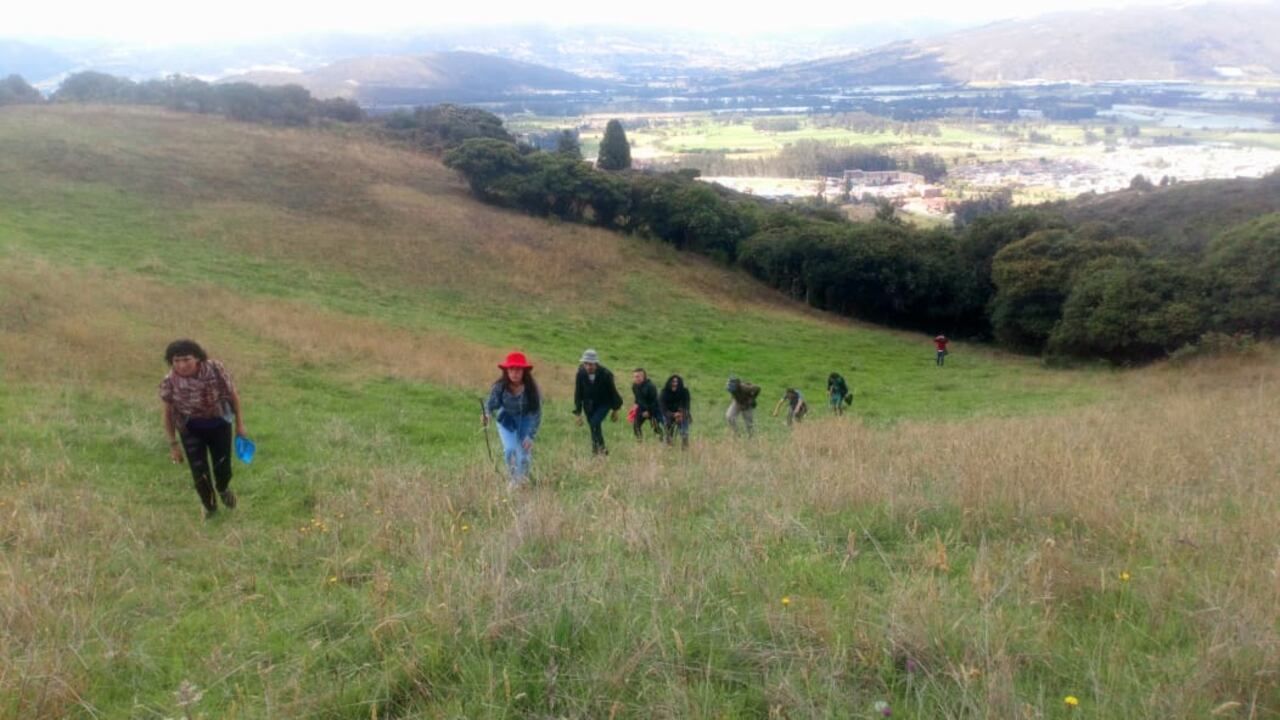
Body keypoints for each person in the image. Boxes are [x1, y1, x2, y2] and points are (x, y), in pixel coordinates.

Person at [158, 339, 248, 519]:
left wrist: (240, 425)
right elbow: (168, 414)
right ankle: (211, 509)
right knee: (200, 473)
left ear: (198, 358)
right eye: (176, 361)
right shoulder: (170, 382)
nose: (181, 365)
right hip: (190, 430)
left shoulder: (215, 369)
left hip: (219, 425)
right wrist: (173, 445)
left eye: (186, 360)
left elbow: (232, 395)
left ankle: (223, 489)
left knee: (223, 468)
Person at [483, 351, 542, 489]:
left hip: (526, 421)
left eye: (518, 370)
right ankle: (514, 480)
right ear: (506, 371)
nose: (514, 373)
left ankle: (524, 480)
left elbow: (537, 413)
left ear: (524, 372)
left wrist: (531, 436)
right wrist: (486, 414)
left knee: (524, 455)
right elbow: (491, 404)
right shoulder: (500, 386)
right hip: (506, 421)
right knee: (510, 450)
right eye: (511, 369)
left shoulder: (532, 388)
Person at [573, 349, 623, 456]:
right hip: (588, 405)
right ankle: (599, 451)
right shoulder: (580, 374)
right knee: (594, 427)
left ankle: (599, 450)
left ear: (596, 363)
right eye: (585, 364)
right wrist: (578, 413)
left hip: (604, 404)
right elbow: (578, 393)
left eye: (590, 364)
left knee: (595, 423)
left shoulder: (606, 374)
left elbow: (613, 392)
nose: (588, 367)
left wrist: (615, 410)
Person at [659, 374, 692, 449]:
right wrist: (673, 415)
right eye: (673, 382)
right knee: (668, 434)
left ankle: (685, 449)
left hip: (682, 414)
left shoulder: (685, 392)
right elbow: (663, 409)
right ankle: (669, 447)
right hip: (668, 414)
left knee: (684, 434)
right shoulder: (664, 392)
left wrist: (681, 414)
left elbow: (687, 406)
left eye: (677, 382)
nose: (675, 384)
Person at [630, 368, 662, 441]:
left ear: (643, 377)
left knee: (655, 427)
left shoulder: (650, 386)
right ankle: (640, 441)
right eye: (634, 376)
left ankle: (663, 442)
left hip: (654, 409)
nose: (636, 378)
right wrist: (635, 406)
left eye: (638, 376)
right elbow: (638, 398)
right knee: (636, 425)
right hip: (642, 409)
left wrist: (649, 412)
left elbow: (655, 401)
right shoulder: (634, 386)